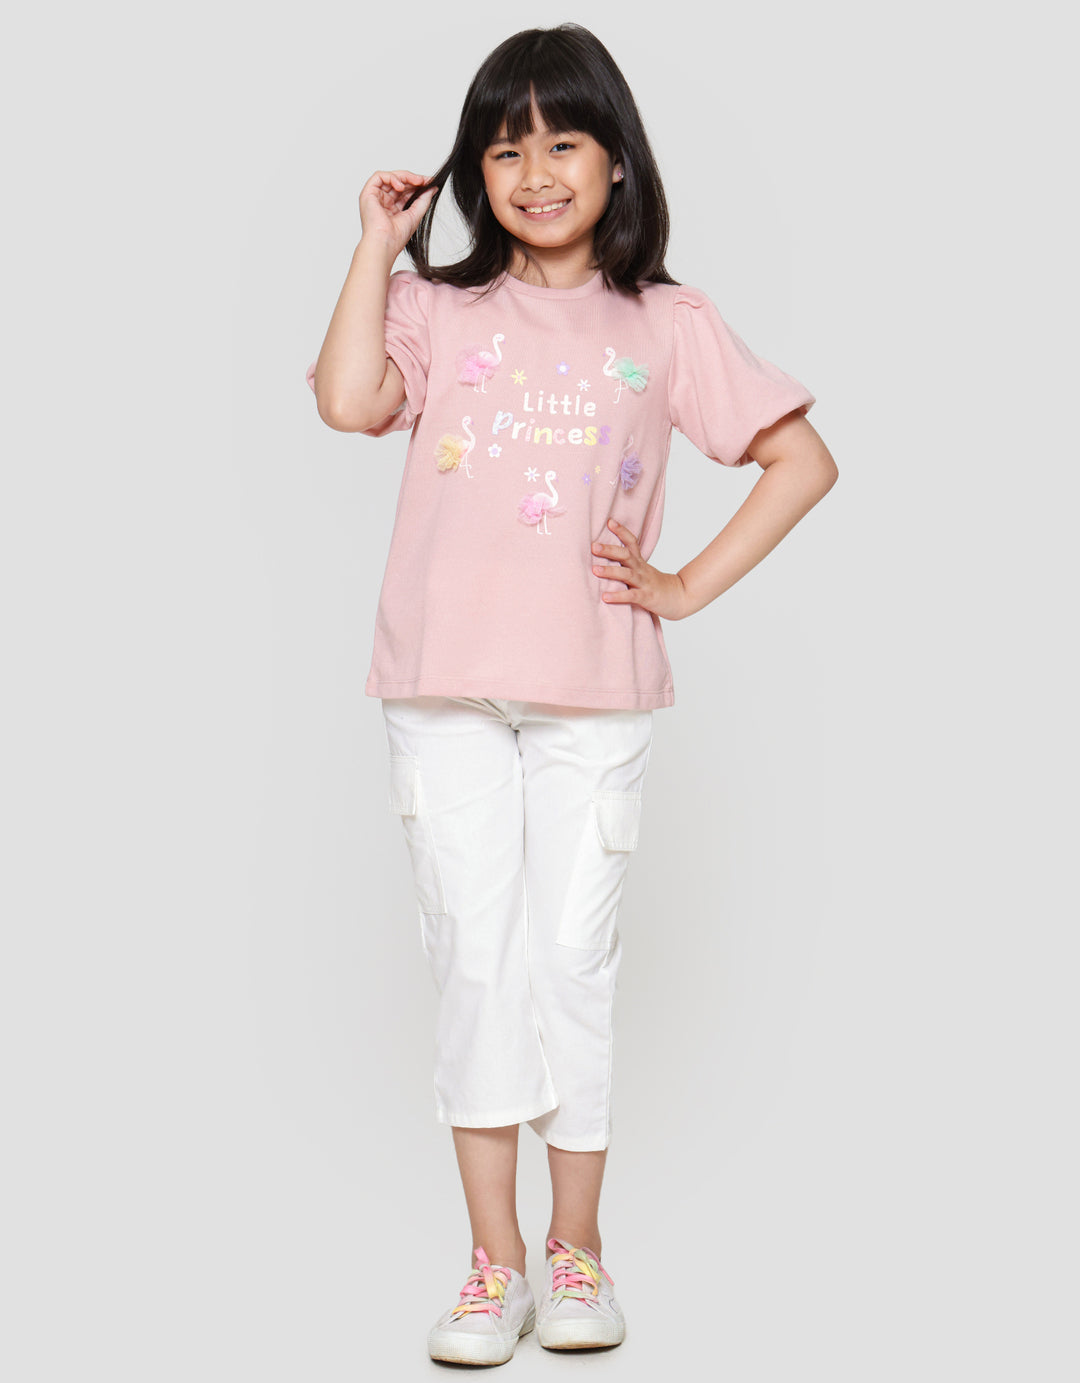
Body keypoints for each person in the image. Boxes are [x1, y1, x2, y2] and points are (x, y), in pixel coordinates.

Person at [305, 22, 838, 1367]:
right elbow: (347, 400)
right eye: (503, 150)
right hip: (440, 687)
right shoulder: (434, 307)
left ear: (616, 161)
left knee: (572, 968)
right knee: (476, 966)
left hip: (593, 695)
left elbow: (800, 461)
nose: (534, 172)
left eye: (562, 142)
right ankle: (492, 1268)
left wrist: (683, 585)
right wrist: (377, 246)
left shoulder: (667, 322)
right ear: (473, 174)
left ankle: (577, 1251)